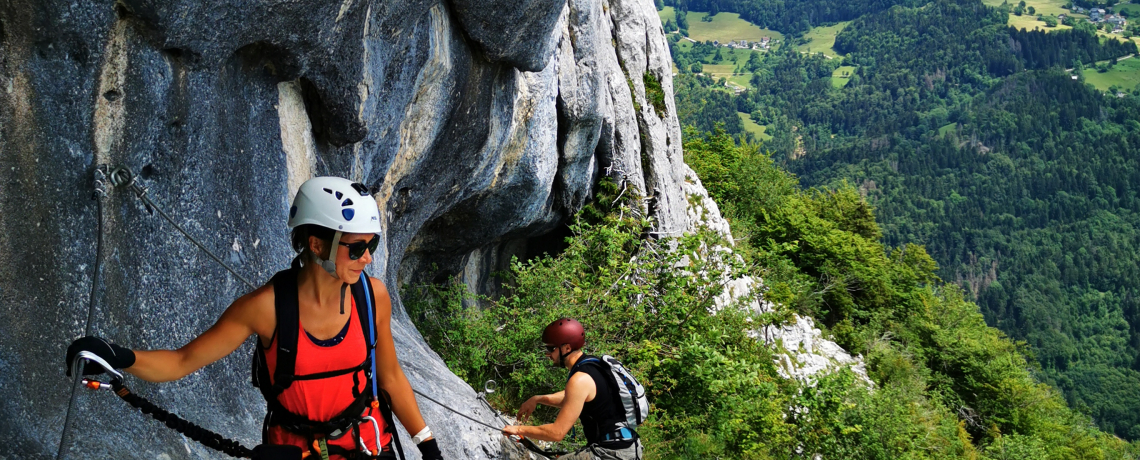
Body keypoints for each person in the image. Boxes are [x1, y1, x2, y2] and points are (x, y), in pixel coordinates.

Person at [66, 176, 444, 460]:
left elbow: (390, 376)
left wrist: (427, 445)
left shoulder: (371, 296)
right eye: (357, 248)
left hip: (367, 448)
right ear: (316, 245)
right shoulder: (266, 309)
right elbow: (181, 362)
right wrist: (118, 356)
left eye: (371, 245)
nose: (368, 258)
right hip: (296, 453)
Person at [502, 318, 643, 460]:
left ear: (567, 348)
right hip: (626, 447)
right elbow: (571, 398)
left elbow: (557, 433)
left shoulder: (579, 378)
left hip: (610, 452)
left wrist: (518, 429)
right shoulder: (593, 365)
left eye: (551, 348)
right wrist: (537, 399)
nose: (547, 354)